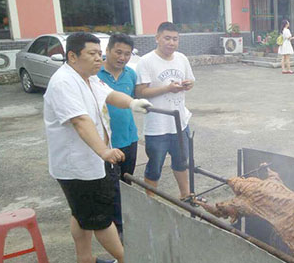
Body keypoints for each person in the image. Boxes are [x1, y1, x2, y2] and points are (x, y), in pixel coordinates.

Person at [44, 32, 151, 263]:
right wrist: (104, 151)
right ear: (72, 56)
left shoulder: (89, 77)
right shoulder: (64, 82)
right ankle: (127, 259)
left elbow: (111, 95)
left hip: (89, 162)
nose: (98, 59)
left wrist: (132, 102)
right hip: (78, 166)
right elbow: (80, 121)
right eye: (92, 54)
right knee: (101, 218)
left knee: (80, 211)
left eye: (99, 54)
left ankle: (85, 258)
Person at [135, 22, 195, 200]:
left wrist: (188, 85)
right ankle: (150, 201)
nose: (171, 42)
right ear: (157, 38)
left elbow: (190, 81)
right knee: (155, 166)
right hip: (157, 125)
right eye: (167, 38)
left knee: (181, 162)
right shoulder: (146, 61)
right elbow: (140, 92)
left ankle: (185, 195)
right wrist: (167, 88)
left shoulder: (182, 58)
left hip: (180, 122)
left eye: (175, 39)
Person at [97, 33, 138, 239]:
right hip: (108, 143)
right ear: (108, 51)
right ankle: (117, 228)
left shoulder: (130, 74)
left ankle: (126, 221)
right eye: (118, 52)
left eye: (127, 54)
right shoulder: (95, 75)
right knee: (110, 186)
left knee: (126, 181)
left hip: (130, 138)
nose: (122, 57)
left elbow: (134, 99)